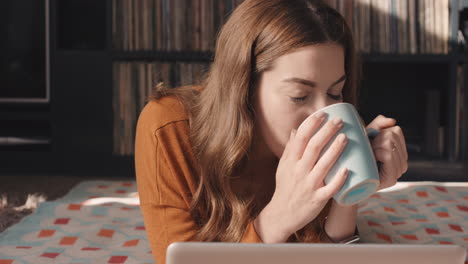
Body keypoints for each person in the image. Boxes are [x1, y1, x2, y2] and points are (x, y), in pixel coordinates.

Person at [134, 0, 408, 263]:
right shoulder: (167, 127)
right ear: (244, 89)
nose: (323, 115)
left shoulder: (334, 127)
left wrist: (351, 189)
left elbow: (325, 254)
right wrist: (278, 218)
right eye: (299, 96)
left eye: (335, 92)